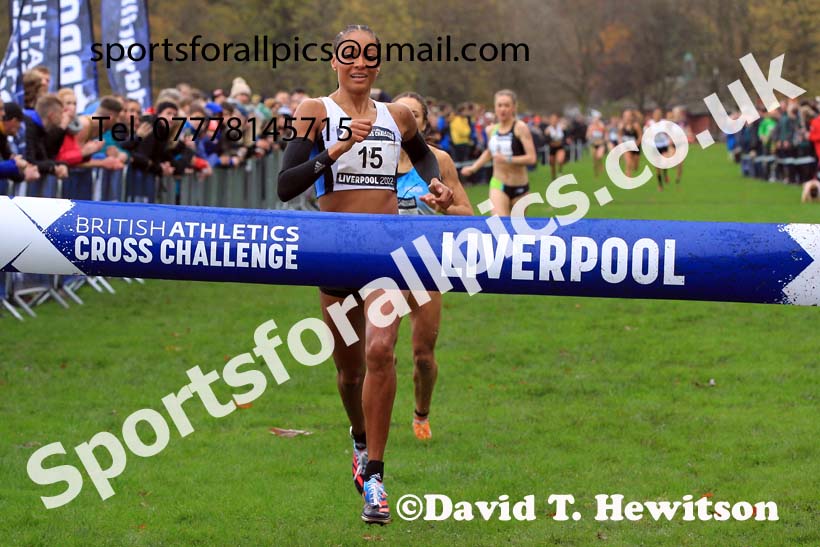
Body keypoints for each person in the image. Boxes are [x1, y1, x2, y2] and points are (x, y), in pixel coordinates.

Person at [276, 25, 453, 525]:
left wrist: (436, 187)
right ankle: (357, 438)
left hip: (385, 253)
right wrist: (331, 153)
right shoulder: (315, 112)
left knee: (380, 351)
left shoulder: (397, 115)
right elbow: (287, 186)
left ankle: (375, 476)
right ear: (335, 61)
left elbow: (421, 157)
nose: (361, 63)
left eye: (370, 56)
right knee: (349, 371)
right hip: (335, 254)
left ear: (378, 64)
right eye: (350, 55)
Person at [392, 91, 472, 441]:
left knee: (423, 357)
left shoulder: (439, 161)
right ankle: (370, 426)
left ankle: (421, 414)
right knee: (379, 354)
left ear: (423, 123)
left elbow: (468, 214)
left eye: (413, 115)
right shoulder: (375, 160)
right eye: (399, 114)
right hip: (382, 266)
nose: (406, 120)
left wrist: (443, 207)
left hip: (426, 264)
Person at [460, 90, 536, 215]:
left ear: (513, 107)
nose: (503, 109)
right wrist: (473, 168)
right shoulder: (491, 130)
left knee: (516, 230)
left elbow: (532, 158)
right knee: (500, 227)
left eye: (507, 105)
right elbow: (490, 152)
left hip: (520, 186)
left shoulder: (520, 128)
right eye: (499, 105)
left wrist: (508, 159)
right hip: (498, 184)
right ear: (495, 108)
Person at [647, 108, 672, 191]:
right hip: (654, 146)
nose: (657, 116)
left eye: (659, 114)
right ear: (653, 115)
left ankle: (665, 175)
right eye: (656, 114)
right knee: (657, 167)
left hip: (663, 145)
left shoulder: (664, 123)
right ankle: (660, 185)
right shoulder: (650, 123)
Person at [619, 109, 642, 178]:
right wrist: (620, 143)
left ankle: (633, 169)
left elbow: (640, 136)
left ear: (632, 117)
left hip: (636, 147)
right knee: (628, 163)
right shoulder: (622, 125)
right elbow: (619, 135)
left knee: (635, 166)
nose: (627, 117)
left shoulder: (636, 126)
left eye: (628, 116)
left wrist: (636, 143)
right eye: (625, 116)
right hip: (626, 147)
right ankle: (628, 179)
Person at [543, 113, 566, 181]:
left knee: (560, 160)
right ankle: (553, 177)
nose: (554, 121)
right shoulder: (548, 130)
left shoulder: (562, 127)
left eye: (555, 119)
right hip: (552, 148)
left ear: (558, 120)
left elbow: (566, 136)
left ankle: (560, 172)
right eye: (552, 119)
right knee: (552, 164)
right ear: (550, 120)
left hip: (560, 147)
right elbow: (546, 140)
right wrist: (550, 142)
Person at [586, 114, 607, 178]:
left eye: (597, 120)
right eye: (595, 120)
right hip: (593, 145)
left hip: (601, 144)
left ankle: (600, 165)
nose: (596, 121)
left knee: (599, 156)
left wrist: (605, 139)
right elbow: (587, 135)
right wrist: (590, 137)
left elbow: (606, 133)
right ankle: (596, 173)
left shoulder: (602, 126)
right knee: (594, 160)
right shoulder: (591, 127)